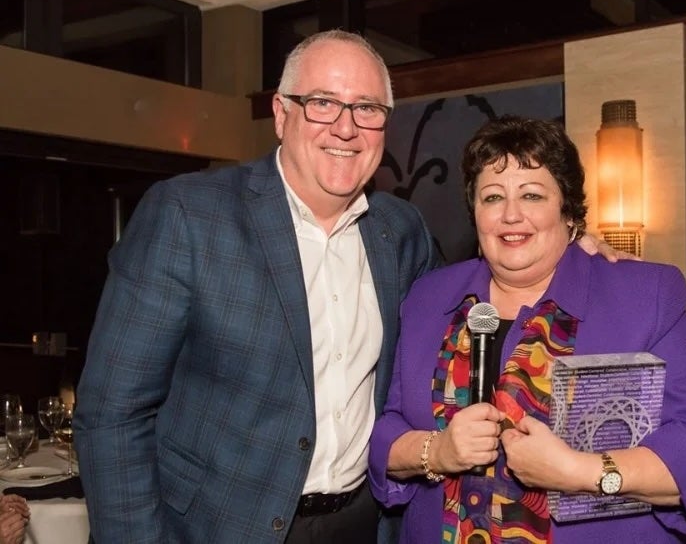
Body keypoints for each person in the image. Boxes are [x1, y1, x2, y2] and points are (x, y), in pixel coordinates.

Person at [74, 32, 625, 543]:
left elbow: (478, 294)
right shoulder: (189, 215)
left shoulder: (400, 230)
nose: (346, 127)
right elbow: (111, 414)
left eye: (367, 108)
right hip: (219, 525)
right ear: (281, 113)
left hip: (363, 524)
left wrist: (571, 247)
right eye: (322, 102)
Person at [368, 115, 686, 543]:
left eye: (532, 195)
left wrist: (578, 471)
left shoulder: (642, 297)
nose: (511, 214)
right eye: (492, 197)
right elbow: (386, 430)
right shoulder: (428, 298)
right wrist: (437, 451)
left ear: (568, 211)